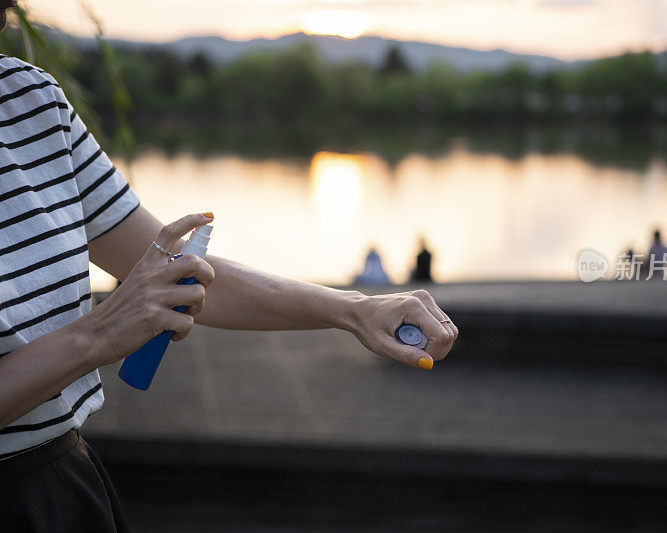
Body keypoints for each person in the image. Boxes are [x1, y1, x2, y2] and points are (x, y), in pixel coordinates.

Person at [0, 14, 457, 531]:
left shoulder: (29, 98)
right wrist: (100, 333)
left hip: (61, 485)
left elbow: (188, 276)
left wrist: (355, 309)